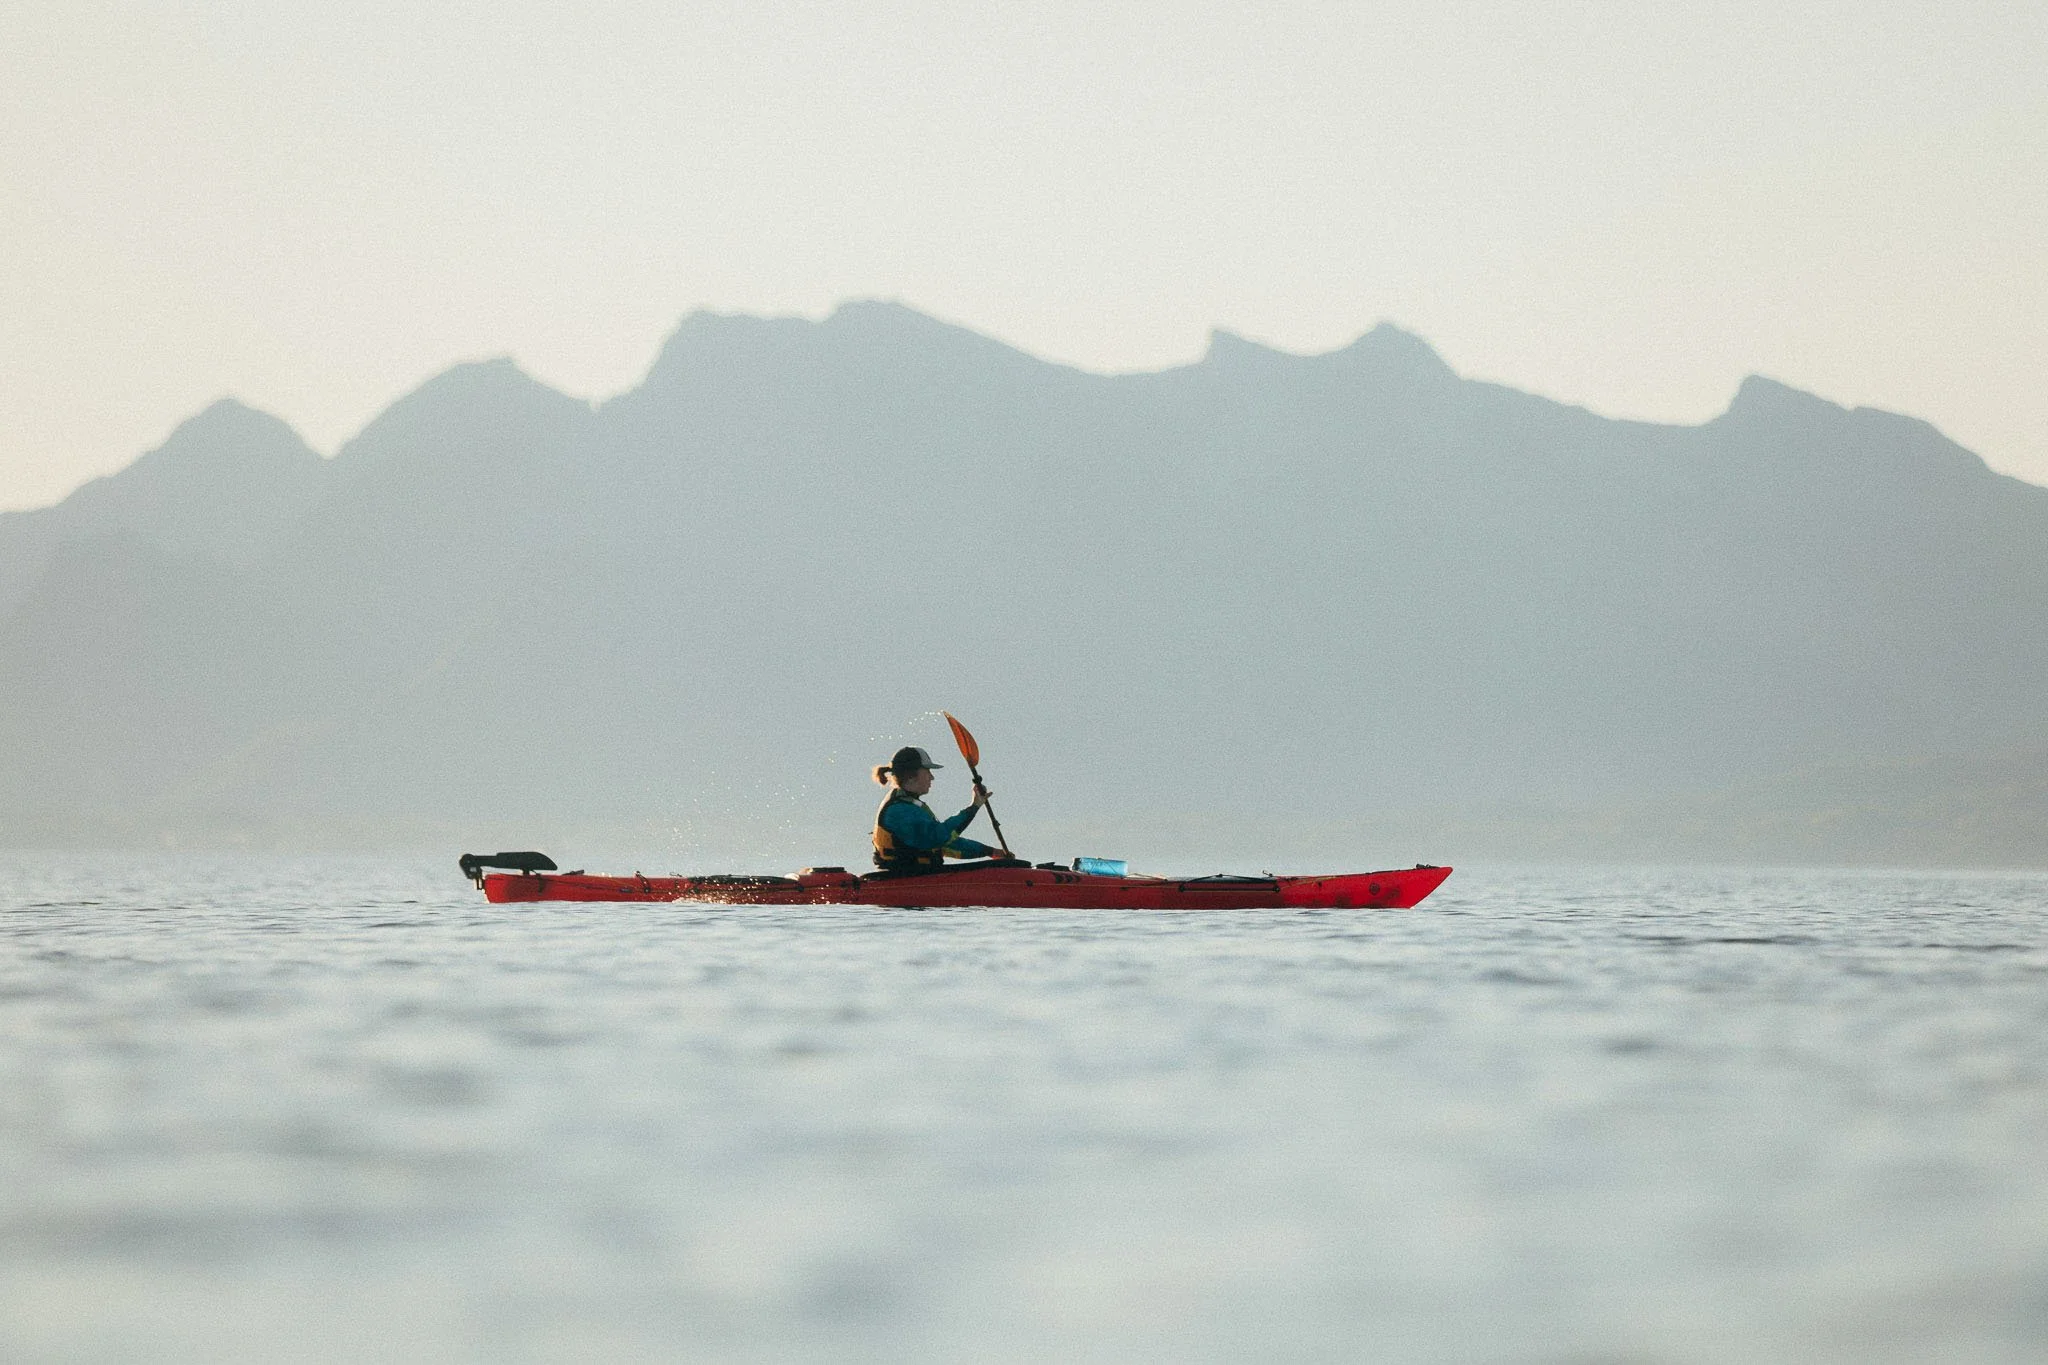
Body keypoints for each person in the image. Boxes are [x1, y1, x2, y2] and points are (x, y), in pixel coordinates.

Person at [871, 745, 1004, 871]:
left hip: (917, 877)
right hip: (907, 880)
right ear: (910, 776)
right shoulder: (899, 811)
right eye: (927, 771)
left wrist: (990, 851)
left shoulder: (909, 806)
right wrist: (973, 808)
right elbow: (939, 837)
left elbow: (946, 845)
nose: (932, 777)